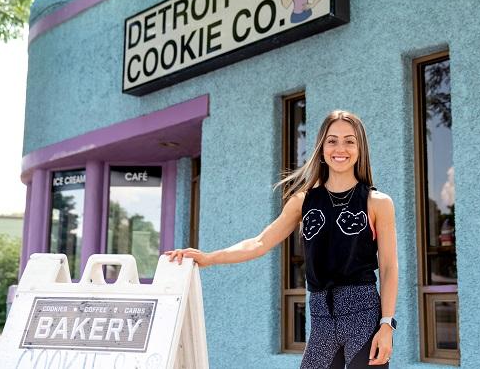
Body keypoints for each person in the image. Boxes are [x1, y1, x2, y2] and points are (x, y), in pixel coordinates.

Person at [166, 110, 398, 368]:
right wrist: (208, 258)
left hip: (363, 317)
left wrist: (386, 324)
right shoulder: (303, 202)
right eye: (332, 140)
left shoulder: (377, 202)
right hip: (321, 319)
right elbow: (260, 242)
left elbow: (388, 267)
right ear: (322, 148)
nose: (340, 148)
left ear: (360, 148)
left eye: (349, 141)